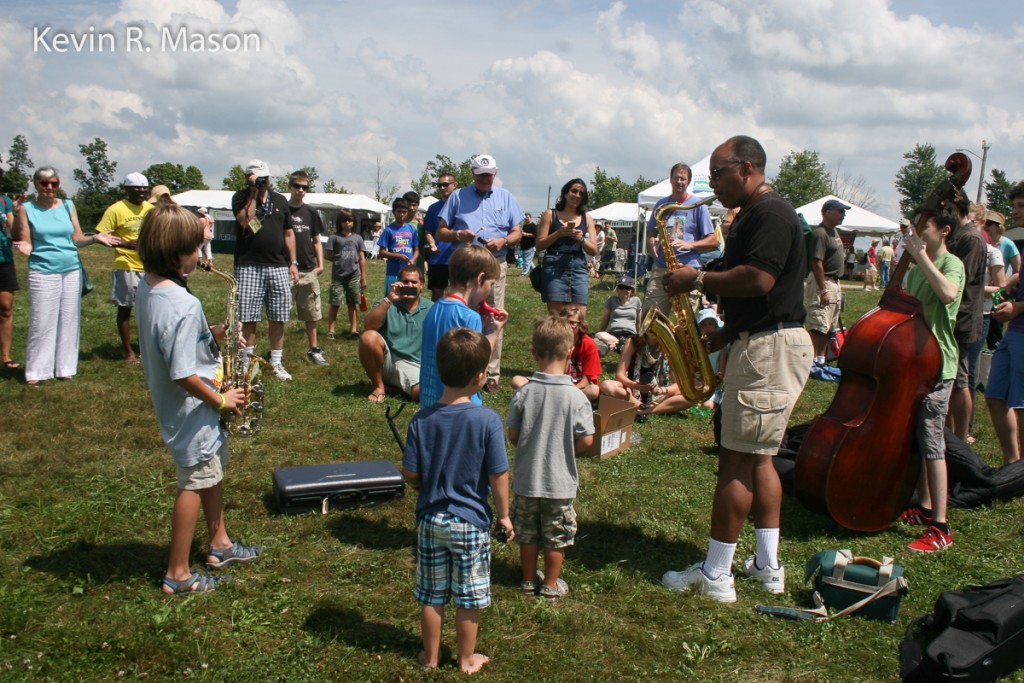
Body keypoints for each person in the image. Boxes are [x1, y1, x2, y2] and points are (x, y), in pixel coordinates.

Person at [659, 135, 813, 601]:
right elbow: (772, 290)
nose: (714, 185)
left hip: (769, 350)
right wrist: (727, 334)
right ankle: (766, 566)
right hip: (766, 340)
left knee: (736, 463)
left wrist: (697, 277)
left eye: (720, 174)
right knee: (761, 458)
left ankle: (716, 575)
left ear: (746, 168)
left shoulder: (769, 213)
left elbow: (759, 278)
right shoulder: (757, 214)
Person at [135, 204, 262, 594]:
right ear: (177, 251)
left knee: (211, 472)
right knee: (193, 481)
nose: (200, 253)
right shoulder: (182, 303)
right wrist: (221, 400)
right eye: (195, 247)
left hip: (185, 408)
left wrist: (215, 332)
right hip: (195, 409)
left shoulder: (150, 287)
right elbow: (183, 373)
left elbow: (171, 340)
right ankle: (177, 573)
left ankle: (219, 543)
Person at [401, 326, 512, 675]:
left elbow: (410, 472)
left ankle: (431, 658)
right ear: (480, 377)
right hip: (470, 522)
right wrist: (505, 516)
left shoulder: (421, 420)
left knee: (431, 595)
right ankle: (466, 659)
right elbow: (498, 475)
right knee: (469, 596)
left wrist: (420, 485)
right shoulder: (487, 420)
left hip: (431, 520)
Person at [507, 316, 595, 600]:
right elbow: (587, 440)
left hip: (526, 480)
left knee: (528, 534)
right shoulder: (577, 397)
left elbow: (513, 435)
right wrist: (571, 450)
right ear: (570, 351)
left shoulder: (524, 392)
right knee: (557, 536)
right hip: (559, 483)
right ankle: (551, 584)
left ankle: (528, 579)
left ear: (533, 353)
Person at [14, 167, 122, 384]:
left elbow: (77, 238)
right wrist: (25, 246)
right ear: (36, 184)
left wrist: (95, 238)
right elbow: (25, 238)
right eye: (44, 183)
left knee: (69, 319)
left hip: (71, 269)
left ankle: (65, 367)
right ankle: (36, 371)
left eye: (54, 183)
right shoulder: (27, 209)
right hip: (42, 270)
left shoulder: (67, 205)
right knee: (42, 320)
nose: (49, 188)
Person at [896, 208, 965, 552]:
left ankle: (941, 525)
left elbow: (948, 294)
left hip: (939, 366)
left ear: (945, 230)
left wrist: (920, 257)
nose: (918, 232)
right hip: (915, 364)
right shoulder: (914, 272)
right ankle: (924, 507)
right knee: (920, 437)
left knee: (934, 442)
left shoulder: (952, 264)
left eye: (925, 227)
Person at [436, 154, 524, 393]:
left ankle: (489, 373)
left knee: (493, 315)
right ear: (473, 175)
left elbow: (518, 233)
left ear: (495, 174)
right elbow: (440, 232)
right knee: (462, 314)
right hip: (465, 264)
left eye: (489, 175)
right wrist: (457, 235)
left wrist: (504, 239)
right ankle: (458, 367)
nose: (485, 179)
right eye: (480, 175)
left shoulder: (506, 197)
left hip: (495, 263)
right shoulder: (457, 196)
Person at [231, 159, 298, 382]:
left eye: (265, 178)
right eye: (258, 178)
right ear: (248, 178)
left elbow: (289, 233)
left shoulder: (280, 200)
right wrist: (252, 193)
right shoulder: (240, 197)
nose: (263, 182)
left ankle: (276, 362)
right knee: (248, 316)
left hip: (278, 264)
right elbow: (244, 221)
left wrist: (293, 262)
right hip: (249, 264)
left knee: (278, 316)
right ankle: (248, 364)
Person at [419, 245, 506, 408]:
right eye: (491, 284)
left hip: (430, 401)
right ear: (480, 279)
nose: (489, 291)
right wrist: (493, 332)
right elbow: (478, 362)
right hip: (461, 406)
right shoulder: (469, 317)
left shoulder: (434, 308)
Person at [94, 172, 154, 364]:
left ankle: (146, 348)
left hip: (149, 265)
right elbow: (101, 235)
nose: (141, 192)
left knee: (149, 311)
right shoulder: (116, 209)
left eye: (144, 189)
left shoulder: (151, 209)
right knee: (125, 309)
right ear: (127, 189)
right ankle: (128, 352)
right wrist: (124, 244)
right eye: (137, 189)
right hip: (126, 264)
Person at [644, 163, 716, 315]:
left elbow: (712, 241)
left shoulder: (698, 205)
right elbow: (651, 234)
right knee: (650, 316)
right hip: (662, 268)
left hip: (688, 269)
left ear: (688, 182)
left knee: (686, 321)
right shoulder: (661, 204)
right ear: (670, 180)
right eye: (676, 178)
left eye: (683, 179)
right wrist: (651, 241)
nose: (679, 182)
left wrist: (689, 245)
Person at [945, 192, 988, 441]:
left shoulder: (971, 238)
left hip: (963, 317)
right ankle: (950, 434)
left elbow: (961, 280)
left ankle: (961, 437)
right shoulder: (957, 235)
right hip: (953, 317)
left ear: (957, 208)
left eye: (948, 208)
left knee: (960, 380)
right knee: (951, 379)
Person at [359, 265, 431, 403]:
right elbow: (369, 326)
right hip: (388, 362)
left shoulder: (432, 308)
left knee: (426, 393)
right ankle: (379, 386)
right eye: (405, 282)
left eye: (414, 282)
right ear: (398, 283)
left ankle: (397, 387)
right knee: (368, 337)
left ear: (421, 284)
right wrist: (389, 299)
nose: (409, 285)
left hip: (416, 364)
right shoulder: (386, 303)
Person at [534, 178, 599, 318]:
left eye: (581, 193)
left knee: (578, 319)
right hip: (554, 267)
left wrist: (582, 240)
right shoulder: (550, 214)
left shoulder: (587, 218)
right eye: (574, 191)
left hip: (578, 267)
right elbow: (539, 245)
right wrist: (558, 234)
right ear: (565, 193)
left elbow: (593, 250)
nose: (576, 195)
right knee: (557, 319)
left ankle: (575, 340)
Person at [510, 304, 601, 402]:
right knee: (517, 380)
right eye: (566, 323)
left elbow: (586, 381)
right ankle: (553, 398)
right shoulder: (554, 339)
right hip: (552, 384)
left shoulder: (588, 344)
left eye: (573, 323)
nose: (569, 327)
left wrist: (566, 392)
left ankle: (551, 399)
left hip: (576, 388)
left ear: (580, 325)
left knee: (593, 390)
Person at [285, 170, 328, 367]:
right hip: (284, 270)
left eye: (305, 187)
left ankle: (314, 349)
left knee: (311, 313)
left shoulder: (311, 212)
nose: (301, 190)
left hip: (308, 269)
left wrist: (320, 264)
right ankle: (277, 352)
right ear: (290, 187)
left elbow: (317, 240)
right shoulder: (282, 209)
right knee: (281, 313)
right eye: (297, 186)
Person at [985, 270, 1024, 465]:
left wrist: (1017, 307)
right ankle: (1012, 464)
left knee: (1022, 405)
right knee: (995, 395)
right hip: (1014, 331)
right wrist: (1015, 279)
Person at [806, 199, 848, 367]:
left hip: (834, 282)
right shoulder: (820, 233)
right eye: (840, 211)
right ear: (827, 211)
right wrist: (823, 290)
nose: (843, 214)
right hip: (823, 281)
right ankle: (813, 359)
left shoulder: (834, 232)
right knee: (819, 323)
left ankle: (821, 358)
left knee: (829, 323)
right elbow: (817, 262)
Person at [324, 208, 366, 340]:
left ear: (354, 222)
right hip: (338, 276)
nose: (347, 223)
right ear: (340, 222)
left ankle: (353, 330)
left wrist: (363, 278)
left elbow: (362, 258)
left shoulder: (358, 238)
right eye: (344, 220)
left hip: (354, 275)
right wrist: (338, 260)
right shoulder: (334, 238)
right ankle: (331, 330)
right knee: (335, 303)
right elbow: (328, 255)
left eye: (350, 220)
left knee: (352, 303)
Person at [422, 173, 459, 301]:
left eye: (445, 184)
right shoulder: (433, 208)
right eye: (439, 185)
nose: (442, 187)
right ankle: (437, 319)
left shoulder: (462, 207)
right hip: (438, 258)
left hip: (458, 258)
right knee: (437, 292)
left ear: (454, 185)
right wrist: (432, 244)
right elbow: (428, 232)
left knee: (458, 293)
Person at [378, 197, 418, 296]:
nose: (401, 214)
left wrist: (413, 259)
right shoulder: (388, 230)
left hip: (408, 272)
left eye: (404, 212)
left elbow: (416, 250)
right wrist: (397, 255)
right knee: (392, 297)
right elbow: (382, 252)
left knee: (407, 297)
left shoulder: (412, 229)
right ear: (393, 212)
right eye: (399, 211)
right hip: (393, 272)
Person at [0, 170, 19, 369]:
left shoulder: (4, 202)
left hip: (4, 258)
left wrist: (18, 213)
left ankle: (5, 356)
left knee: (6, 307)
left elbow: (14, 232)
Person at [594, 275, 642, 355]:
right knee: (598, 335)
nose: (624, 290)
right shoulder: (612, 300)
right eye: (621, 287)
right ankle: (619, 344)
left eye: (627, 288)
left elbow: (638, 322)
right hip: (614, 333)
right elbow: (605, 320)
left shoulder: (636, 301)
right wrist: (598, 334)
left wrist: (639, 337)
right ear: (617, 289)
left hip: (630, 334)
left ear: (632, 290)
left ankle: (615, 344)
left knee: (634, 342)